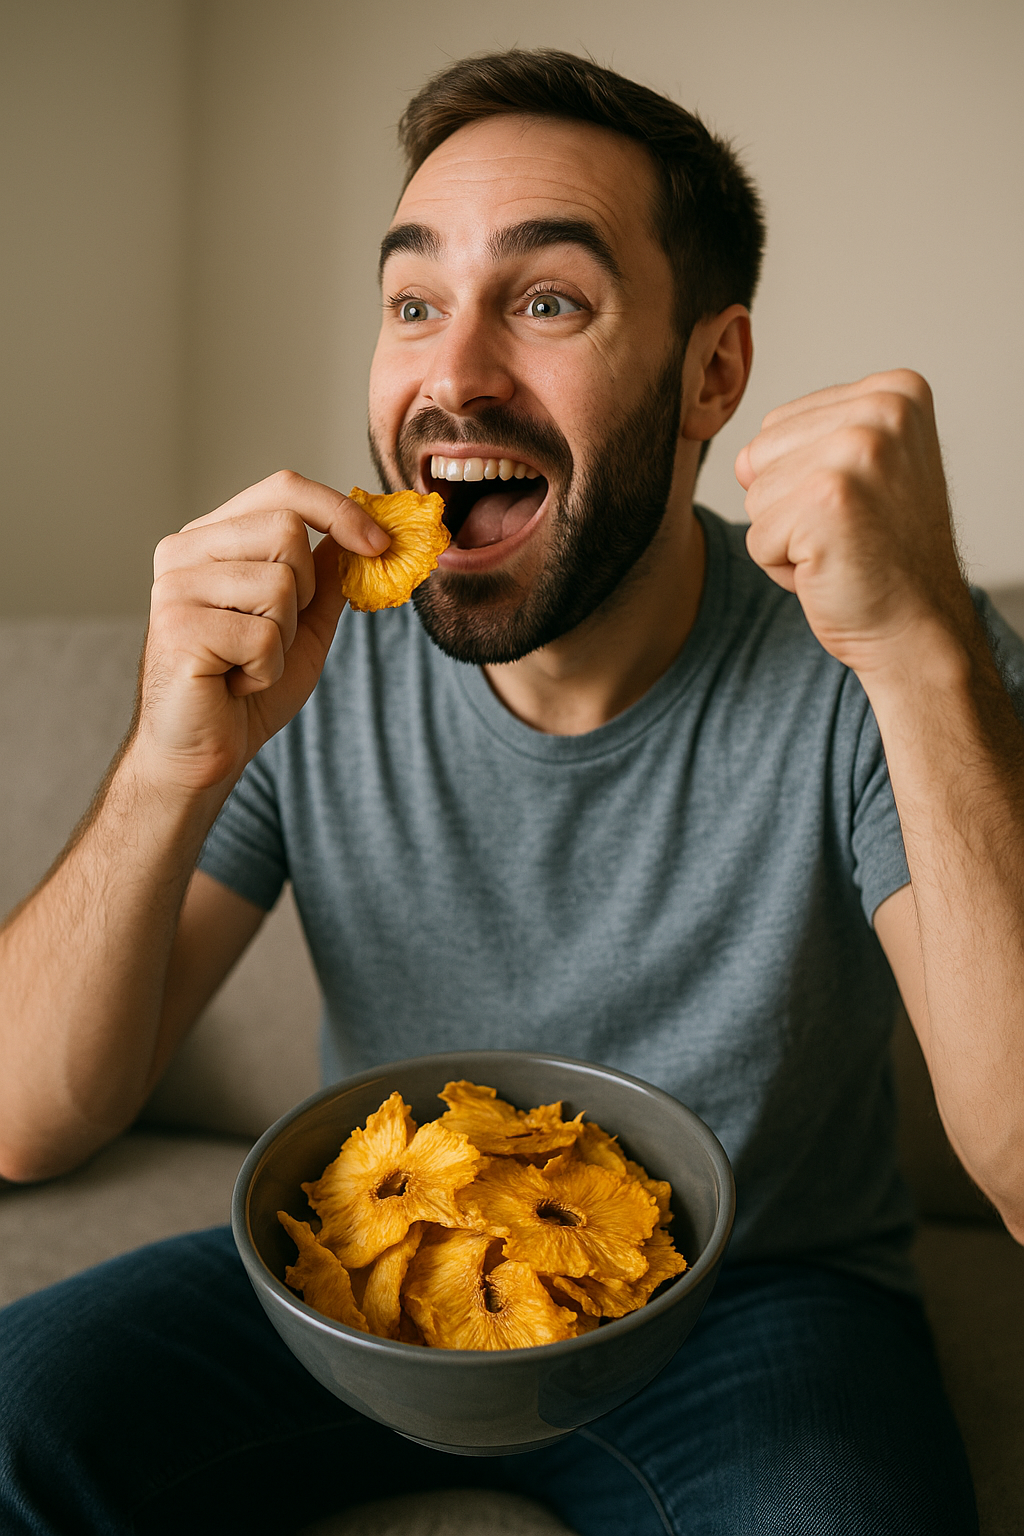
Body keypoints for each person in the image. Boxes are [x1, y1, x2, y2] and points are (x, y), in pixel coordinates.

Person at [0, 47, 1021, 1536]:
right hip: (356, 1261)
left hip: (753, 1303)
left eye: (546, 301)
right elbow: (28, 1125)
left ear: (712, 373)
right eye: (414, 303)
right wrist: (173, 758)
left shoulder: (868, 646)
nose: (452, 371)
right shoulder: (308, 654)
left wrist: (922, 649)